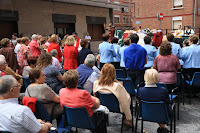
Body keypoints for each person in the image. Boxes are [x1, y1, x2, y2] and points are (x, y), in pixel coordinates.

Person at [136, 69, 170, 133]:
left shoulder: (140, 90)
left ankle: (162, 128)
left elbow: (138, 101)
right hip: (161, 115)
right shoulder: (162, 91)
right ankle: (162, 128)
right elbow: (167, 103)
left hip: (145, 114)